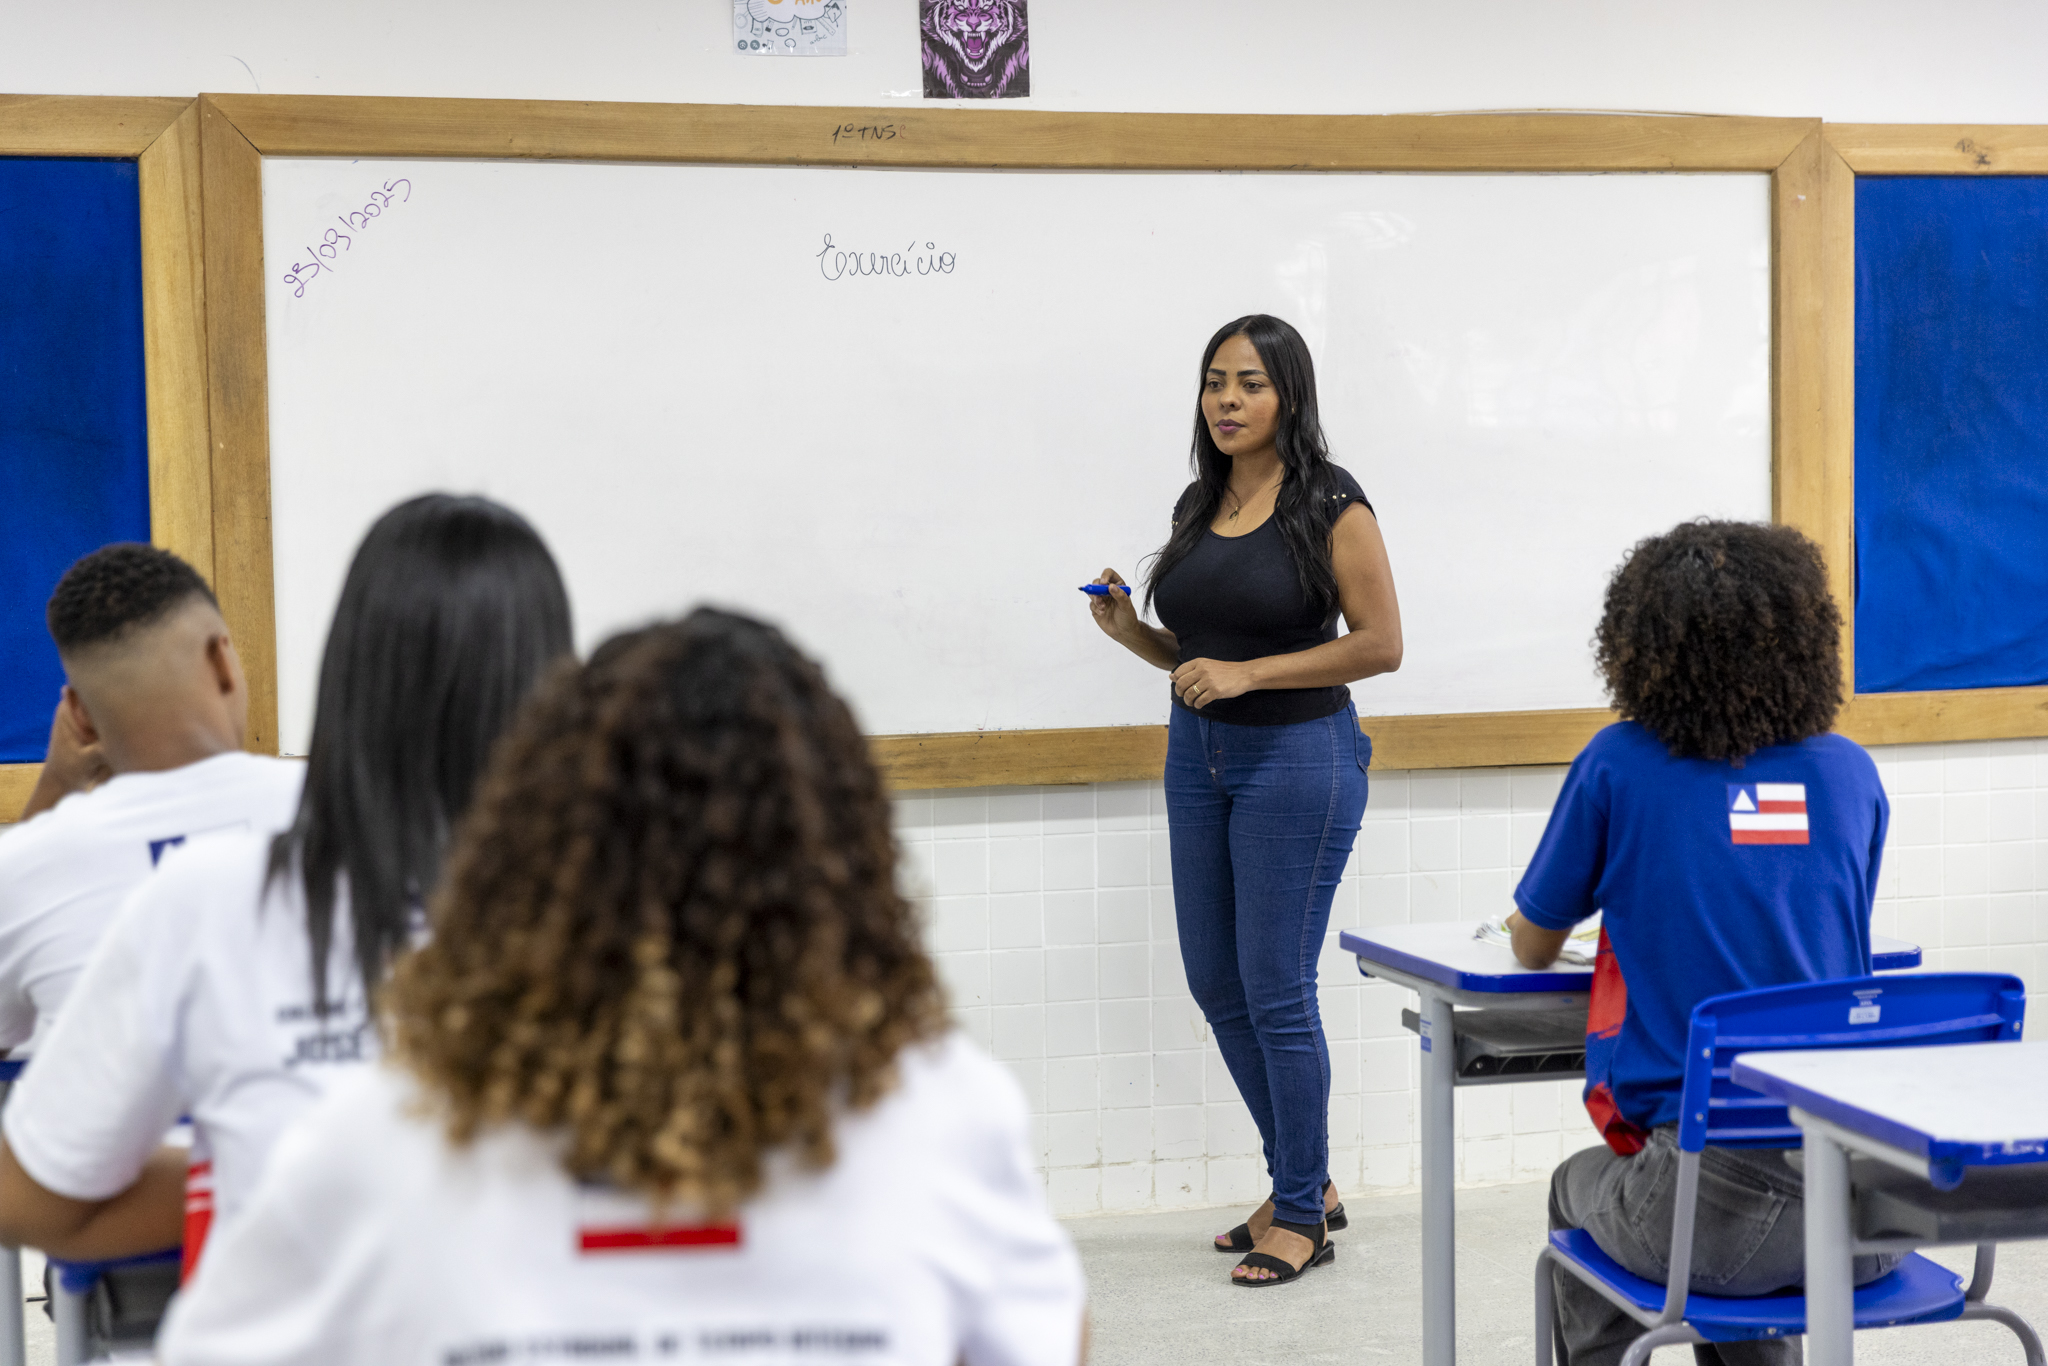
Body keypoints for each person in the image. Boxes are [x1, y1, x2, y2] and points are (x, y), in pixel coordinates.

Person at [157, 608, 1087, 1366]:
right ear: (840, 855)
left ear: (537, 843)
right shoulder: (943, 1112)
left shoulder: (383, 1131)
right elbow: (1050, 1341)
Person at [0, 495, 573, 1269]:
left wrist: (253, 1167)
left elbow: (28, 1193)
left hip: (185, 1244)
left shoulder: (173, 892)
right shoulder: (577, 894)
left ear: (80, 716)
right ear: (223, 661)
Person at [1507, 520, 1898, 1366]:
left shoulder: (1618, 764)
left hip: (1711, 1218)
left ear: (1641, 645)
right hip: (1875, 1209)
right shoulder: (1849, 771)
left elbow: (1535, 945)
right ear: (1805, 640)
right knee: (1740, 1215)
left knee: (1581, 1190)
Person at [1086, 314, 1402, 1286]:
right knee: (1217, 985)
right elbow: (1198, 663)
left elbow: (1379, 644)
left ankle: (1299, 1210)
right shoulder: (1200, 498)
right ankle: (1305, 1182)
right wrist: (1128, 630)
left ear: (1289, 398)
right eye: (1213, 381)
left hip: (1297, 758)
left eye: (1249, 384)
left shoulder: (1331, 503)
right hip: (1200, 756)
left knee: (1273, 988)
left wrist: (1245, 675)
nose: (1225, 400)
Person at [0, 544, 301, 1058]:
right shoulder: (353, 812)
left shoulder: (24, 868)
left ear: (78, 713)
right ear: (222, 660)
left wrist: (55, 785)